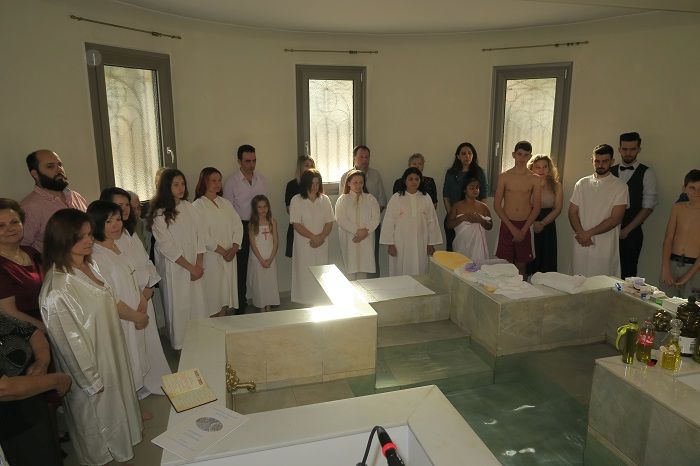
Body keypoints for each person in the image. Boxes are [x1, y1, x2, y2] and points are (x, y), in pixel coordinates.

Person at [39, 208, 142, 465]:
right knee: (99, 419)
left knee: (118, 408)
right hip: (91, 365)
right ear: (62, 240)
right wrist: (91, 381)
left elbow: (108, 300)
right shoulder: (57, 288)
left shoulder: (89, 264)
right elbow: (68, 343)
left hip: (109, 350)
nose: (88, 241)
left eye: (89, 234)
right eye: (80, 237)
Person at [87, 201, 170, 402]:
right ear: (96, 223)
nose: (116, 225)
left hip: (135, 310)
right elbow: (109, 296)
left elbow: (131, 276)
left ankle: (135, 397)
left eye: (118, 219)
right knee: (125, 359)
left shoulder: (116, 245)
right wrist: (135, 316)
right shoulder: (95, 256)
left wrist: (142, 299)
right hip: (122, 316)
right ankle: (130, 403)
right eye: (108, 221)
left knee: (136, 355)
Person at [147, 169, 207, 350]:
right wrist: (190, 267)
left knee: (197, 305)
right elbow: (166, 246)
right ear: (167, 187)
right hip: (175, 267)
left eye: (183, 184)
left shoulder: (189, 207)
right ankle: (181, 346)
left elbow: (200, 236)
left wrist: (199, 263)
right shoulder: (159, 214)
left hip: (194, 266)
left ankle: (199, 342)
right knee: (178, 308)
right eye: (176, 185)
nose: (181, 188)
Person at [0, 312, 70, 466]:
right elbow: (3, 389)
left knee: (47, 453)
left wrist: (41, 361)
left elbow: (32, 331)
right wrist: (55, 381)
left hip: (32, 397)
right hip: (9, 422)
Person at [568, 144, 628, 277]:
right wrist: (581, 234)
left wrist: (588, 234)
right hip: (581, 244)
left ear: (612, 161)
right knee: (577, 282)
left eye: (605, 161)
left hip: (605, 247)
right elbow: (572, 212)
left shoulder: (620, 186)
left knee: (602, 284)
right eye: (597, 161)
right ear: (592, 161)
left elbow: (615, 219)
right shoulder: (582, 183)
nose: (600, 165)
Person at [223, 145, 268, 314]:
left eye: (254, 160)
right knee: (241, 267)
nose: (252, 164)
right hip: (240, 226)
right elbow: (228, 212)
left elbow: (265, 204)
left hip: (260, 225)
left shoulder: (261, 179)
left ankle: (263, 300)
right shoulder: (231, 182)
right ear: (239, 161)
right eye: (248, 161)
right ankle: (240, 306)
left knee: (260, 263)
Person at [193, 167, 244, 317]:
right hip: (212, 257)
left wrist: (234, 247)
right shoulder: (197, 206)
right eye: (213, 181)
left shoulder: (225, 203)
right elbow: (202, 234)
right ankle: (213, 325)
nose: (217, 184)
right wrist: (222, 251)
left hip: (229, 256)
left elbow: (238, 225)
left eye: (219, 180)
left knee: (225, 295)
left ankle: (223, 323)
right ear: (204, 182)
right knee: (213, 295)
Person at [20, 150, 88, 253]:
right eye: (50, 166)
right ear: (35, 174)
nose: (59, 170)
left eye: (60, 165)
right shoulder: (29, 207)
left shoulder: (76, 197)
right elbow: (22, 248)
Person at [611, 132, 658, 279]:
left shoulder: (647, 173)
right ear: (619, 149)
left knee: (628, 274)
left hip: (632, 233)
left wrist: (627, 230)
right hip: (608, 231)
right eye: (625, 149)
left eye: (632, 149)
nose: (628, 153)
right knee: (605, 272)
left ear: (639, 149)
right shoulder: (609, 172)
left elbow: (648, 206)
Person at [380, 167, 442, 276]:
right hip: (400, 242)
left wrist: (431, 243)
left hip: (421, 242)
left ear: (420, 181)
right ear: (405, 181)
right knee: (400, 268)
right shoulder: (397, 197)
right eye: (410, 179)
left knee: (420, 268)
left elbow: (432, 221)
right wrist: (390, 244)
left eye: (417, 179)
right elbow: (389, 221)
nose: (414, 182)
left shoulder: (426, 197)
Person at [494, 141, 541, 275]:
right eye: (519, 154)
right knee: (505, 265)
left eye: (526, 155)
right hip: (507, 224)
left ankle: (521, 289)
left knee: (521, 265)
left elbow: (537, 207)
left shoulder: (535, 179)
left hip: (525, 225)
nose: (522, 158)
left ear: (530, 157)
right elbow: (497, 205)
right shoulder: (504, 177)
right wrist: (512, 229)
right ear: (513, 154)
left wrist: (523, 230)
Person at [339, 145, 387, 277]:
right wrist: (357, 230)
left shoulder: (375, 175)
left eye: (367, 157)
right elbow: (342, 210)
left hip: (371, 227)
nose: (364, 160)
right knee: (351, 263)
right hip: (351, 231)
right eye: (361, 157)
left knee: (371, 259)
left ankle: (373, 286)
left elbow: (382, 201)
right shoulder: (345, 176)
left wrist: (366, 228)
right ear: (354, 158)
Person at [290, 169, 335, 305]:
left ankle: (321, 300)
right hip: (304, 243)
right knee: (304, 272)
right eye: (312, 183)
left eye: (317, 183)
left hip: (322, 243)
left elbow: (329, 222)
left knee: (321, 271)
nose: (315, 186)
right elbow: (296, 224)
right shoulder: (296, 200)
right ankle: (305, 301)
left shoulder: (325, 200)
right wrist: (313, 237)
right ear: (305, 183)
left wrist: (321, 237)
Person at [0, 199, 45, 331]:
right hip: (27, 333)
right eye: (1, 225)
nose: (10, 228)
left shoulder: (31, 252)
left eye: (14, 222)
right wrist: (48, 330)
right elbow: (10, 313)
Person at [660, 169, 700, 298]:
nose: (697, 192)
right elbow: (668, 239)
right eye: (692, 188)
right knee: (664, 304)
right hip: (672, 264)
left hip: (695, 268)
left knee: (691, 307)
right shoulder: (677, 208)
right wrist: (665, 268)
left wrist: (688, 275)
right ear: (684, 189)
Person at [335, 170, 381, 280]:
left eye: (361, 182)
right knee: (350, 269)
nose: (358, 185)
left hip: (366, 237)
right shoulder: (343, 200)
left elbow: (376, 218)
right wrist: (357, 231)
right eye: (355, 182)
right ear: (348, 183)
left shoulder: (370, 199)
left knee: (363, 269)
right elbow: (341, 219)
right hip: (350, 237)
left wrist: (365, 231)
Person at [443, 142, 488, 251]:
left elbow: (484, 196)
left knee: (473, 252)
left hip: (474, 219)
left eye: (469, 153)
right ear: (458, 156)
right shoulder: (451, 173)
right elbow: (446, 195)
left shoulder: (479, 172)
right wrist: (452, 216)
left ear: (473, 155)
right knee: (453, 252)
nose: (467, 156)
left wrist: (478, 216)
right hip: (454, 218)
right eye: (463, 154)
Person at [526, 155, 563, 274]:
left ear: (549, 168)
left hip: (548, 225)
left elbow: (557, 209)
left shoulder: (556, 185)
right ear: (531, 168)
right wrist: (532, 223)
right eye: (537, 167)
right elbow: (523, 207)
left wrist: (542, 223)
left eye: (545, 167)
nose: (541, 170)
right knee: (528, 262)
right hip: (529, 224)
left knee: (547, 261)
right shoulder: (526, 184)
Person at [446, 177, 492, 262]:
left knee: (478, 267)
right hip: (461, 244)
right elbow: (449, 225)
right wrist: (463, 218)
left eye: (477, 187)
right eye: (471, 188)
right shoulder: (457, 206)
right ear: (464, 190)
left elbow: (490, 226)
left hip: (478, 247)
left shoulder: (484, 207)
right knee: (460, 265)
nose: (475, 190)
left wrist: (480, 220)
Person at [247, 195, 280, 311]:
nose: (263, 210)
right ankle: (261, 307)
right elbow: (253, 244)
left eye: (265, 206)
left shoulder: (272, 222)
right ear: (255, 209)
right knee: (259, 283)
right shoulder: (252, 224)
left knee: (270, 282)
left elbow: (276, 241)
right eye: (260, 207)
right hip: (257, 259)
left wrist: (270, 259)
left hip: (270, 257)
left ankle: (268, 305)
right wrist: (261, 260)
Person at [285, 156, 315, 258]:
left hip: (315, 227)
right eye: (306, 166)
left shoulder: (316, 185)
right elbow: (289, 210)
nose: (310, 168)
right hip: (298, 227)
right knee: (299, 259)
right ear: (300, 168)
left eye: (312, 166)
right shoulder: (292, 185)